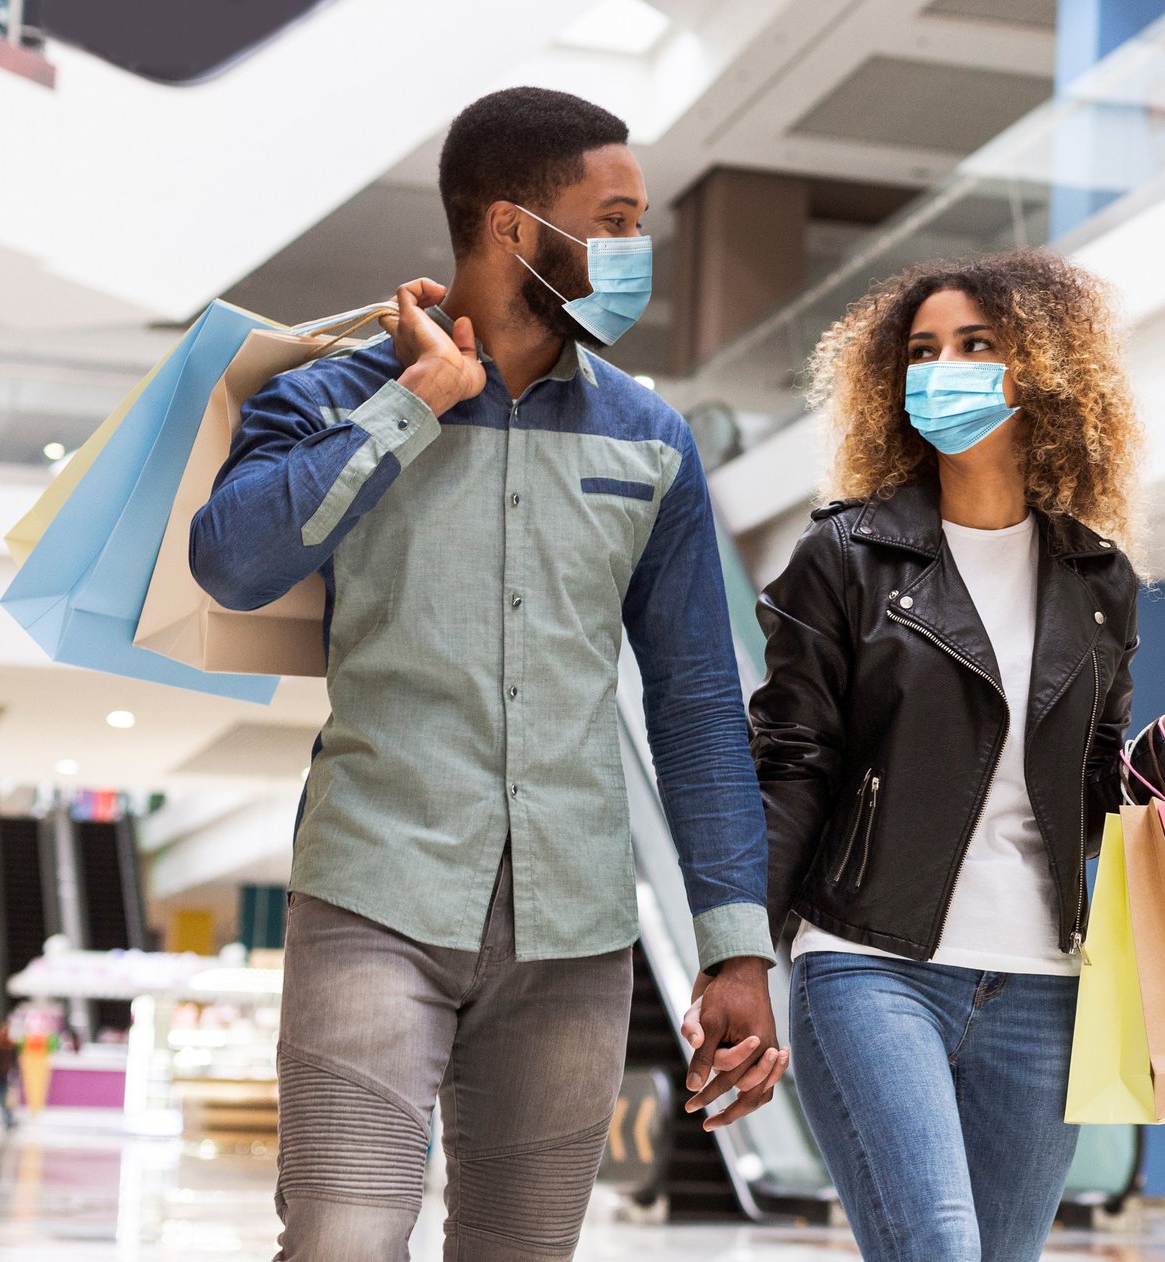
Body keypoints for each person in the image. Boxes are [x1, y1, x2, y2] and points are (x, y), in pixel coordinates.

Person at [189, 87, 777, 1261]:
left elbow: (699, 699)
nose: (633, 252)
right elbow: (232, 562)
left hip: (577, 924)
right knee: (342, 1238)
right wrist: (415, 405)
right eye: (613, 220)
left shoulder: (650, 441)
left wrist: (735, 939)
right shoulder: (334, 395)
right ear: (514, 229)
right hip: (375, 888)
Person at [691, 251, 1165, 1262]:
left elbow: (1102, 787)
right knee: (937, 1245)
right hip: (873, 963)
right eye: (924, 350)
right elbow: (793, 760)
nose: (945, 369)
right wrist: (738, 948)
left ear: (1045, 371)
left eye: (977, 344)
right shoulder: (843, 557)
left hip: (1043, 983)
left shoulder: (1094, 577)